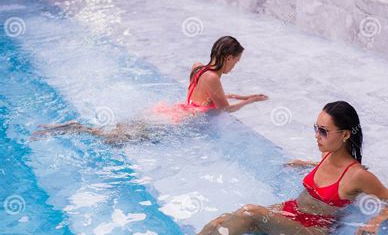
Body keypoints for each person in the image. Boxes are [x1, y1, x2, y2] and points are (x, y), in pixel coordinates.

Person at [121, 101, 388, 235]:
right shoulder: (326, 154)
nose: (316, 136)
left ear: (345, 135)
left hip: (312, 226)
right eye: (315, 129)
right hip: (291, 209)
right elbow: (330, 169)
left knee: (249, 213)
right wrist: (308, 163)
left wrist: (375, 221)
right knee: (222, 220)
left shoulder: (359, 175)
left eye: (323, 131)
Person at [31, 36, 268, 144]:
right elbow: (225, 110)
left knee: (115, 131)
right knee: (112, 140)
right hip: (175, 121)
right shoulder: (214, 79)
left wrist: (240, 95)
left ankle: (69, 128)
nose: (235, 66)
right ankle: (74, 128)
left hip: (166, 111)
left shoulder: (199, 68)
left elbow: (207, 95)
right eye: (236, 62)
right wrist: (251, 101)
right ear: (228, 58)